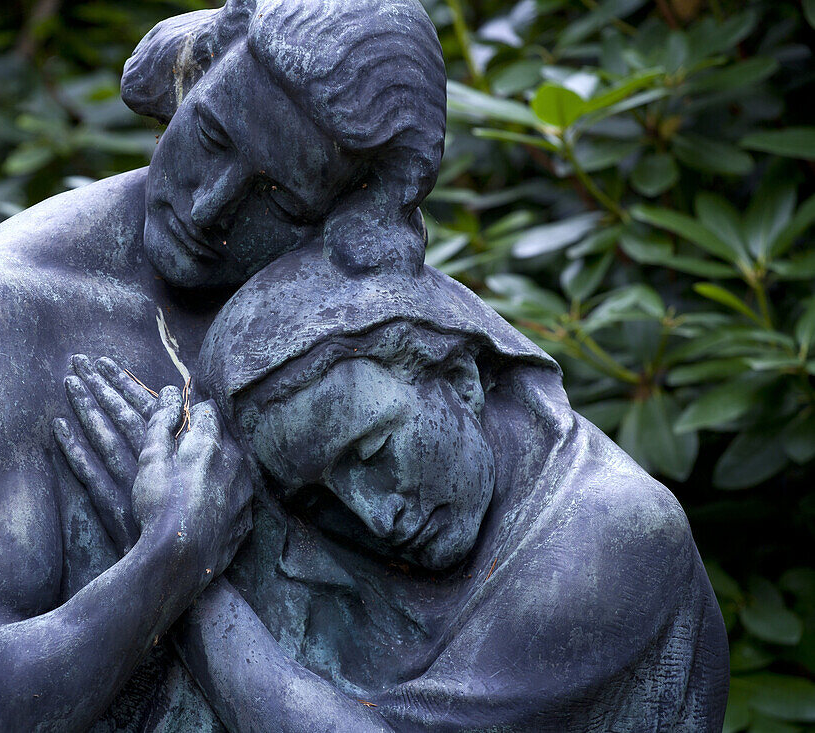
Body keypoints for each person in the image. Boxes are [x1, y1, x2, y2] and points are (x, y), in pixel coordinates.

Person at [0, 0, 447, 730]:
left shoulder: (366, 313)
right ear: (195, 72)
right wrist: (172, 559)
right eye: (212, 135)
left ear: (347, 208)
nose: (211, 208)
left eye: (277, 195)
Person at [64, 246, 730, 731]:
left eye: (374, 450)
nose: (372, 514)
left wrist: (178, 569)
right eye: (320, 495)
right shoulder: (393, 521)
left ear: (462, 378)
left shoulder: (611, 534)